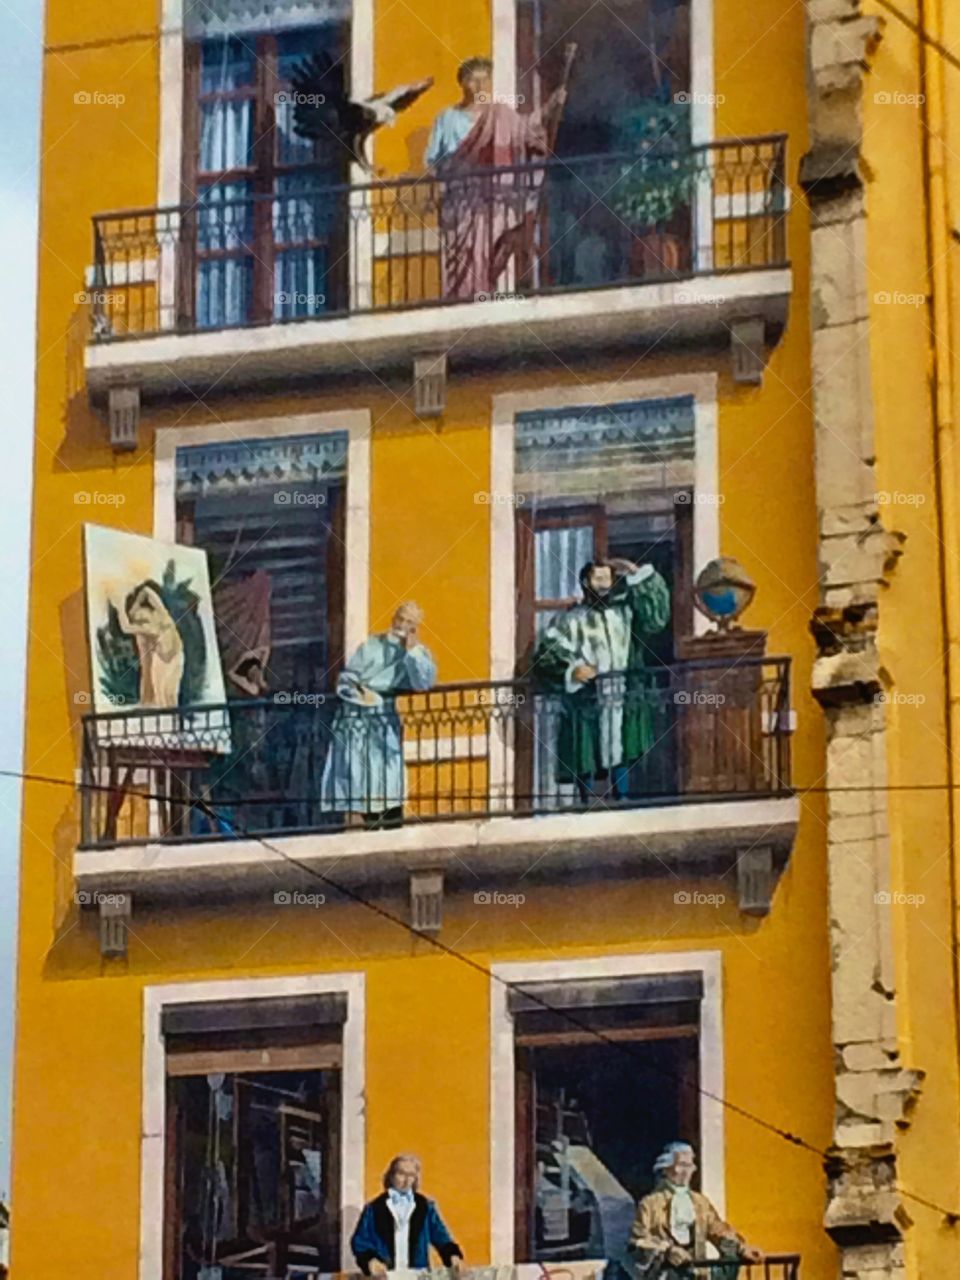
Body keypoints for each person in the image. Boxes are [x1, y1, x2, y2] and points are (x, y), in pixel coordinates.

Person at [425, 56, 567, 300]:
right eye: (473, 80)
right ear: (462, 84)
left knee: (493, 247)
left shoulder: (500, 114)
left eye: (485, 80)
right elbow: (432, 160)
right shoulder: (447, 118)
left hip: (495, 201)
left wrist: (551, 106)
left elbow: (528, 130)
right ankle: (464, 298)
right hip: (460, 200)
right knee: (465, 255)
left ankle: (483, 291)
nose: (480, 86)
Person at [532, 558, 670, 804]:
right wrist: (573, 670)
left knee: (621, 750)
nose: (604, 584)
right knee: (586, 751)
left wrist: (637, 574)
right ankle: (585, 801)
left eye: (608, 579)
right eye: (598, 579)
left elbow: (656, 617)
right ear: (586, 582)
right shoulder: (571, 619)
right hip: (588, 698)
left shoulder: (626, 613)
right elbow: (545, 655)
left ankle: (623, 797)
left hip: (622, 694)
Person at [320, 602, 436, 827]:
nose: (403, 625)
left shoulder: (418, 653)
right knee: (363, 778)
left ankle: (392, 825)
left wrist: (412, 651)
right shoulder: (372, 646)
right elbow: (346, 681)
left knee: (389, 779)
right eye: (401, 619)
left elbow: (423, 682)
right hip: (359, 720)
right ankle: (371, 824)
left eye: (410, 622)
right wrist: (362, 696)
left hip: (385, 720)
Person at [629, 1143, 763, 1279]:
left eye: (689, 1166)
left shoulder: (699, 1203)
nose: (686, 1172)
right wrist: (667, 1251)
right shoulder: (650, 1204)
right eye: (681, 1165)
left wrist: (742, 1248)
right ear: (666, 1169)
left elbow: (719, 1231)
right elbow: (637, 1242)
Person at [351, 1153, 464, 1274]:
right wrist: (371, 1261)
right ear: (391, 1175)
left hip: (417, 1275)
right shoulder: (373, 1208)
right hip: (386, 1276)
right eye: (401, 1174)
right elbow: (360, 1241)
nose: (406, 1180)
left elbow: (441, 1237)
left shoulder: (425, 1207)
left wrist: (453, 1256)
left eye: (411, 1175)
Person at [116, 580, 185, 708]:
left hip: (175, 657)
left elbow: (147, 591)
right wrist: (121, 608)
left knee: (171, 694)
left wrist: (135, 605)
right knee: (161, 697)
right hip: (161, 661)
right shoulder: (149, 629)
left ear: (150, 611)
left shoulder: (163, 615)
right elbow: (125, 628)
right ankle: (166, 722)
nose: (140, 621)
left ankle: (176, 721)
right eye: (138, 621)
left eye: (141, 617)